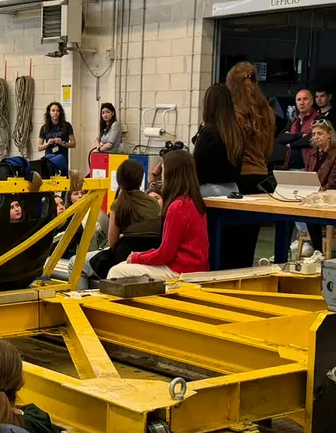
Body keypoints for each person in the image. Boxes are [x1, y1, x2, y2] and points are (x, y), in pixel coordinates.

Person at [106, 148, 209, 283]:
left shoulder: (177, 207)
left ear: (171, 175)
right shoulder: (195, 202)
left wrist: (137, 257)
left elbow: (165, 254)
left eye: (163, 173)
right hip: (195, 268)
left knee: (116, 271)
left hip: (180, 270)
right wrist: (140, 255)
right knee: (124, 266)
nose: (161, 178)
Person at [218, 62, 277, 269]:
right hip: (261, 178)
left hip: (238, 179)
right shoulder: (267, 111)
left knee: (228, 241)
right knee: (249, 239)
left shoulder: (232, 112)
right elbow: (269, 150)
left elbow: (230, 150)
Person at [81, 159, 161, 286]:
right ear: (141, 179)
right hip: (151, 254)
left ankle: (83, 297)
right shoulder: (154, 203)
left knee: (76, 263)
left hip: (124, 256)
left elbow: (112, 242)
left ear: (118, 180)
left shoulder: (118, 204)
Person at [192, 83, 243, 197]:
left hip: (209, 190)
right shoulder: (236, 132)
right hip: (233, 188)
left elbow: (197, 166)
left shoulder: (209, 132)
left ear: (208, 105)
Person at [278, 89, 321, 171]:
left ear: (312, 102)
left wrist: (290, 144)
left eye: (305, 99)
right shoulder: (294, 120)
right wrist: (300, 135)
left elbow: (311, 140)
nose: (301, 103)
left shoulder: (319, 118)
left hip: (310, 167)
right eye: (299, 99)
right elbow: (280, 138)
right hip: (290, 167)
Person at [308, 121, 336, 193]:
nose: (316, 137)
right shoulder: (311, 153)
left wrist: (318, 193)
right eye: (314, 134)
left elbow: (334, 182)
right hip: (314, 193)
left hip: (333, 194)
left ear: (329, 134)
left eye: (320, 133)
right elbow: (308, 178)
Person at [39, 102, 76, 174]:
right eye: (53, 111)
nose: (55, 113)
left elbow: (73, 144)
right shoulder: (44, 128)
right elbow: (39, 147)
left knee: (62, 178)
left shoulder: (67, 125)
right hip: (49, 158)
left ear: (60, 113)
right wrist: (47, 143)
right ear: (49, 112)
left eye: (57, 111)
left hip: (62, 159)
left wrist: (62, 143)